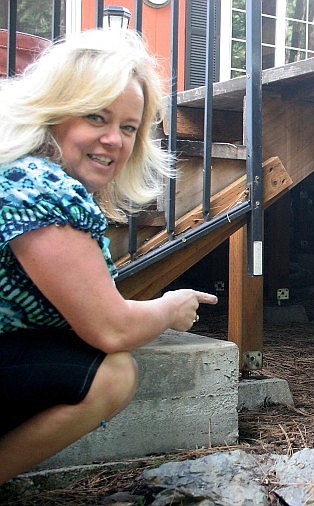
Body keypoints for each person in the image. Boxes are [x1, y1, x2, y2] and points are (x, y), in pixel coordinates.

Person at [0, 29, 217, 484]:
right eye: (97, 117)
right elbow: (111, 328)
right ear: (54, 112)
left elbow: (86, 313)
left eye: (128, 127)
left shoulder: (26, 174)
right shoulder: (40, 188)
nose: (114, 140)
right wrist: (169, 307)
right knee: (112, 375)